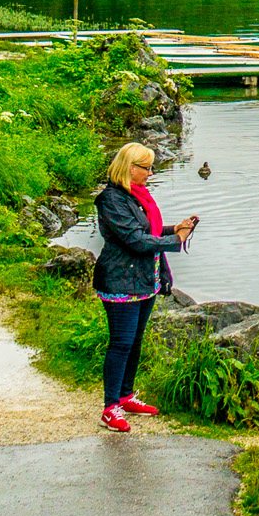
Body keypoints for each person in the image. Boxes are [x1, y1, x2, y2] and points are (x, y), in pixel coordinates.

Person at [93, 141, 198, 432]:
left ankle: (125, 396)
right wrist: (176, 241)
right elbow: (135, 240)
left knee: (135, 341)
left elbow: (146, 232)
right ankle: (110, 407)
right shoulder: (111, 200)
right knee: (121, 343)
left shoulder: (137, 196)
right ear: (130, 168)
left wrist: (173, 230)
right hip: (120, 281)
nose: (151, 173)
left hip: (145, 280)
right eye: (147, 167)